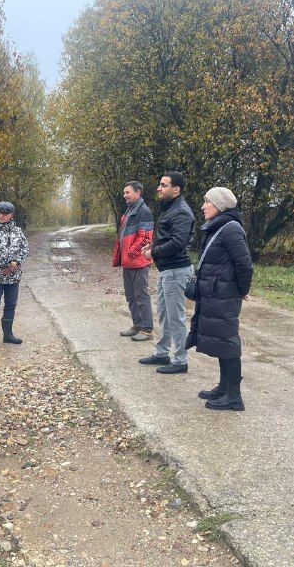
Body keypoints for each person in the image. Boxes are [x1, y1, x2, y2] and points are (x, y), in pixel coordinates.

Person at [186, 187, 253, 411]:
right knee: (221, 342)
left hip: (224, 295)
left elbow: (244, 264)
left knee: (228, 342)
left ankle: (234, 396)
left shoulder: (231, 228)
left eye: (208, 202)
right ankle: (224, 388)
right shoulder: (220, 226)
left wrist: (242, 290)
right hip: (216, 294)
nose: (203, 206)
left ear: (221, 205)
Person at [139, 171, 196, 373]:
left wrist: (153, 252)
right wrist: (151, 249)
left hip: (176, 271)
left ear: (176, 189)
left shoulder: (181, 211)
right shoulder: (169, 208)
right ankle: (162, 353)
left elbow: (178, 243)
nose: (159, 188)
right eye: (160, 184)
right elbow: (167, 238)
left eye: (164, 185)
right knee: (164, 314)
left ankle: (180, 360)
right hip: (166, 270)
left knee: (175, 317)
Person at [0, 201, 29, 351]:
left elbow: (25, 248)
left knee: (10, 305)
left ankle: (8, 335)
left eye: (5, 213)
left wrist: (16, 263)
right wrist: (8, 264)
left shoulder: (17, 231)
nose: (1, 216)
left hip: (13, 277)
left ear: (11, 215)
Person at [113, 181, 154, 341]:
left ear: (138, 193)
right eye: (124, 193)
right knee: (130, 295)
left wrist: (131, 252)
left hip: (138, 261)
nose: (125, 196)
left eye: (127, 192)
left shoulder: (143, 211)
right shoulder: (129, 211)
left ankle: (147, 330)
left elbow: (145, 237)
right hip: (128, 262)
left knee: (141, 296)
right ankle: (137, 325)